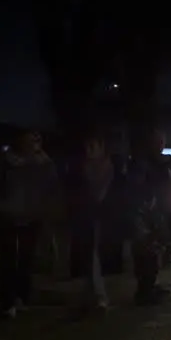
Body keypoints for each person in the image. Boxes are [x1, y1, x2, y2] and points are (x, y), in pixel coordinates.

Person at [0, 130, 60, 318]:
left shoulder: (43, 163)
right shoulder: (6, 161)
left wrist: (44, 207)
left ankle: (22, 298)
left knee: (26, 259)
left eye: (36, 138)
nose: (33, 142)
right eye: (29, 138)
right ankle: (8, 302)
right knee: (8, 259)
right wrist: (4, 206)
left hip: (32, 217)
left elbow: (54, 188)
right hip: (9, 218)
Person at [126, 130, 171, 305]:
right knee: (145, 253)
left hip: (156, 214)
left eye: (163, 141)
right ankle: (144, 291)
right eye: (158, 141)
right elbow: (140, 189)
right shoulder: (142, 163)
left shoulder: (156, 163)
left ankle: (149, 287)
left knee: (153, 253)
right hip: (146, 216)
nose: (161, 145)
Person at [69, 134, 116, 314]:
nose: (88, 151)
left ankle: (98, 296)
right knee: (89, 255)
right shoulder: (83, 167)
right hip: (87, 216)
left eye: (92, 146)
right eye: (87, 147)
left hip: (100, 216)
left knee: (94, 256)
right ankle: (93, 295)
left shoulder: (106, 167)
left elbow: (102, 193)